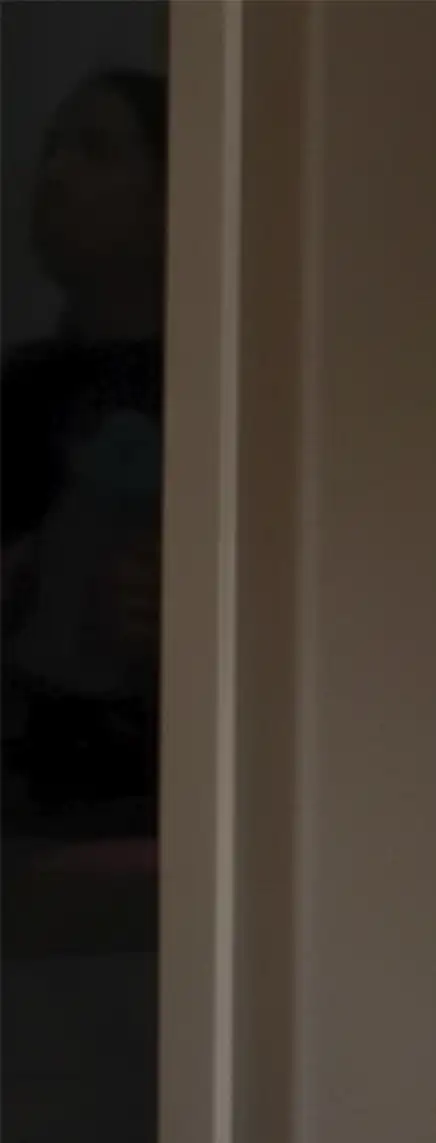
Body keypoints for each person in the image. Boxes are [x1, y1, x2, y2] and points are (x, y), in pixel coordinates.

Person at [2, 66, 168, 830]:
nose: (58, 175)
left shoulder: (239, 395)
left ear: (171, 196)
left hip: (168, 819)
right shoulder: (18, 390)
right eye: (54, 149)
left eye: (96, 149)